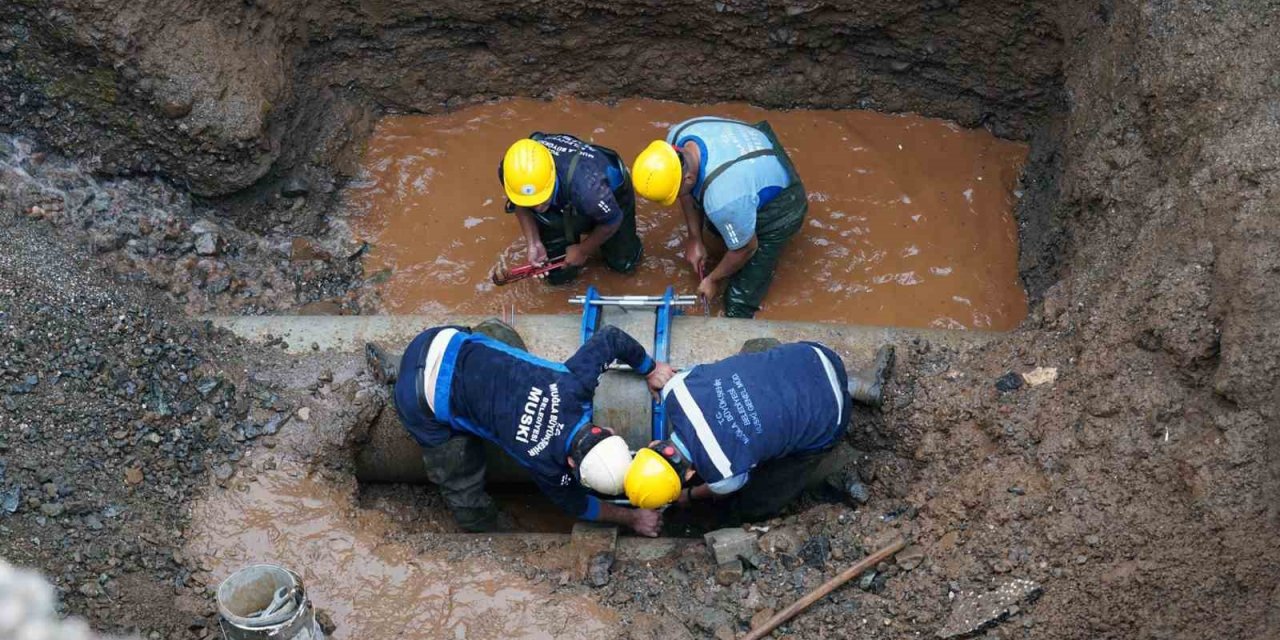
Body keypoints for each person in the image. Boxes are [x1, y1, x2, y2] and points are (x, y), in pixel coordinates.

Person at [365, 320, 676, 535]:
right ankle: (482, 530)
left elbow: (610, 337)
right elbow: (580, 505)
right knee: (460, 478)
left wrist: (651, 368)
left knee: (503, 339)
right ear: (571, 465)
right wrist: (633, 518)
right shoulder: (547, 467)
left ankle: (401, 362)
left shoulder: (575, 385)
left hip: (437, 339)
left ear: (606, 431)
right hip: (419, 399)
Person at [623, 339, 893, 523]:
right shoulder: (675, 389)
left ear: (691, 474)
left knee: (763, 493)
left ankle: (850, 391)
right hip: (816, 355)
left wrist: (688, 496)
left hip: (831, 417)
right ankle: (855, 381)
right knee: (755, 353)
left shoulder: (722, 475)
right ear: (654, 443)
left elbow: (721, 489)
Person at [630, 117, 808, 318]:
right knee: (719, 224)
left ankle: (741, 306)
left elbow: (746, 248)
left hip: (782, 203)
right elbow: (686, 192)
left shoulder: (724, 200)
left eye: (675, 193)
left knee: (737, 304)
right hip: (754, 149)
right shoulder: (678, 137)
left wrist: (713, 279)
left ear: (687, 178)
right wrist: (695, 238)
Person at [499, 135, 643, 284]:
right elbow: (518, 203)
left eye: (541, 200)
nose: (538, 208)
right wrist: (533, 242)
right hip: (567, 195)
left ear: (552, 176)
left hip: (606, 193)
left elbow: (613, 220)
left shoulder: (590, 191)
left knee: (622, 263)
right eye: (530, 203)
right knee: (556, 275)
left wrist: (583, 250)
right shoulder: (511, 172)